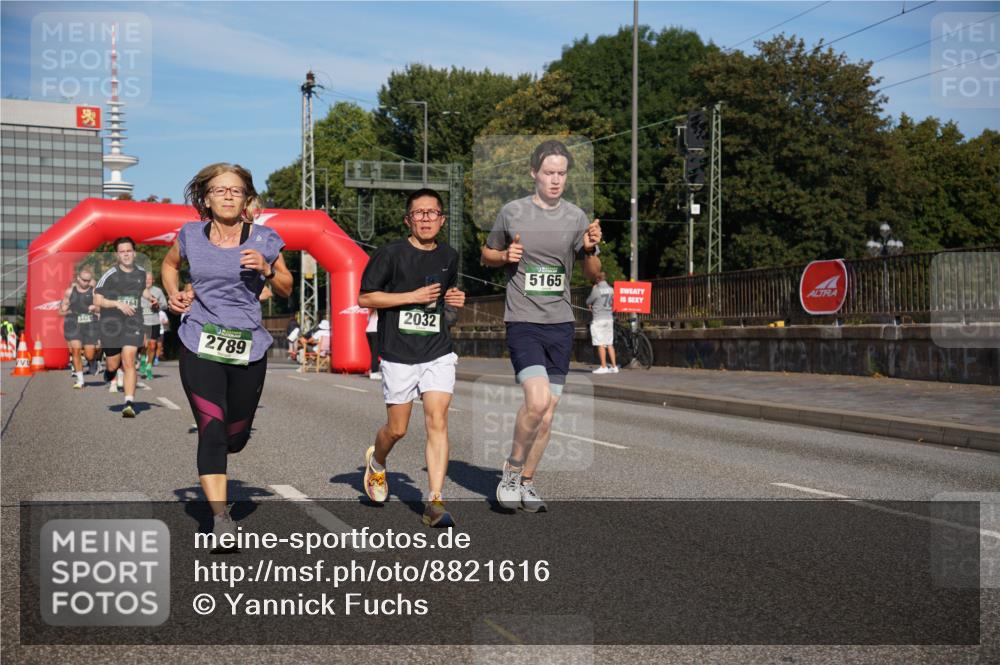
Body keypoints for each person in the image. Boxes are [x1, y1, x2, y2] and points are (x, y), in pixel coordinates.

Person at [161, 162, 292, 541]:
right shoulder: (189, 234)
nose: (228, 195)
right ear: (206, 198)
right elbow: (170, 265)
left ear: (247, 198)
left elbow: (285, 287)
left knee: (235, 436)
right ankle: (220, 521)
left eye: (235, 190)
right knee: (212, 430)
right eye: (220, 190)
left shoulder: (265, 237)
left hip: (247, 347)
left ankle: (236, 439)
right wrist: (174, 293)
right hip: (199, 341)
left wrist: (267, 269)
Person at [481, 140, 602, 512]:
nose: (555, 180)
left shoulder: (577, 217)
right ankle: (512, 471)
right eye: (548, 172)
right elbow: (486, 256)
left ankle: (528, 482)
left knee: (547, 414)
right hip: (523, 321)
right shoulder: (511, 212)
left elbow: (594, 275)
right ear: (533, 173)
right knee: (536, 401)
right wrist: (504, 256)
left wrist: (593, 249)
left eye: (562, 174)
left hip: (560, 323)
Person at [358, 187, 465, 527]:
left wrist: (454, 302)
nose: (425, 219)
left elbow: (445, 304)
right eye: (419, 213)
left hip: (438, 351)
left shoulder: (450, 255)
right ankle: (377, 463)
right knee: (398, 429)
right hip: (399, 352)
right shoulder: (390, 254)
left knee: (438, 420)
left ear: (442, 218)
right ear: (408, 219)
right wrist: (411, 296)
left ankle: (434, 502)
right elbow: (365, 298)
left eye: (432, 213)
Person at [94, 237, 156, 417]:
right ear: (117, 255)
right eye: (122, 252)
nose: (126, 254)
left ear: (134, 253)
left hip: (132, 322)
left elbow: (141, 290)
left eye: (129, 251)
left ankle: (129, 402)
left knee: (129, 359)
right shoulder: (110, 274)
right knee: (113, 364)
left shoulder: (141, 272)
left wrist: (150, 298)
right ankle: (110, 370)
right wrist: (117, 304)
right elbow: (97, 300)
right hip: (111, 324)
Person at [59, 266, 99, 389]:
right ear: (78, 279)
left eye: (88, 280)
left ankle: (93, 362)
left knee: (89, 354)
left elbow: (101, 308)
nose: (86, 283)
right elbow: (61, 310)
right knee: (75, 350)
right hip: (74, 323)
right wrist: (65, 308)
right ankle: (80, 380)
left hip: (90, 325)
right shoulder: (69, 292)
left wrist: (95, 308)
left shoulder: (94, 291)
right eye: (84, 280)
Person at [586, 271, 618, 374]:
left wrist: (593, 289)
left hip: (598, 319)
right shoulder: (611, 289)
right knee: (609, 343)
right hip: (609, 318)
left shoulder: (596, 290)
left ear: (597, 279)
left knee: (600, 343)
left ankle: (603, 366)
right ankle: (614, 366)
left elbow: (588, 301)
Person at [140, 272, 166, 381]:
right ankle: (142, 359)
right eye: (145, 279)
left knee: (152, 346)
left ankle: (149, 367)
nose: (147, 281)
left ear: (153, 280)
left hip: (154, 322)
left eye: (149, 279)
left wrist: (157, 304)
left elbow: (165, 305)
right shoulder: (137, 290)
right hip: (140, 322)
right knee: (143, 344)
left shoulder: (158, 291)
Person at [365, 309, 380, 380]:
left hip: (368, 331)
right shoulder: (380, 312)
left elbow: (367, 320)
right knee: (375, 354)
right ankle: (374, 372)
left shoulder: (372, 312)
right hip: (375, 332)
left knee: (374, 353)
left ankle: (372, 370)